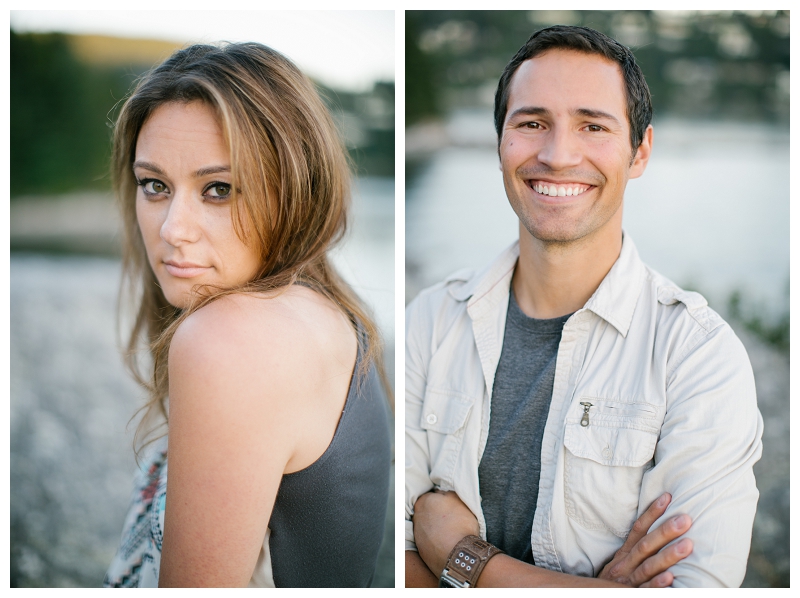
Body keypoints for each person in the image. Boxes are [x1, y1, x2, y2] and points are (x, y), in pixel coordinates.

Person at [405, 25, 762, 588]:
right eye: (531, 123)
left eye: (593, 126)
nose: (557, 154)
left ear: (639, 151)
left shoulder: (697, 356)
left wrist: (460, 555)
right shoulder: (429, 322)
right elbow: (384, 560)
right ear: (500, 142)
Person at [103, 42, 392, 588]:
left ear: (295, 189)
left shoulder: (232, 339)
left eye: (219, 190)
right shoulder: (325, 309)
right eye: (155, 186)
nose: (171, 229)